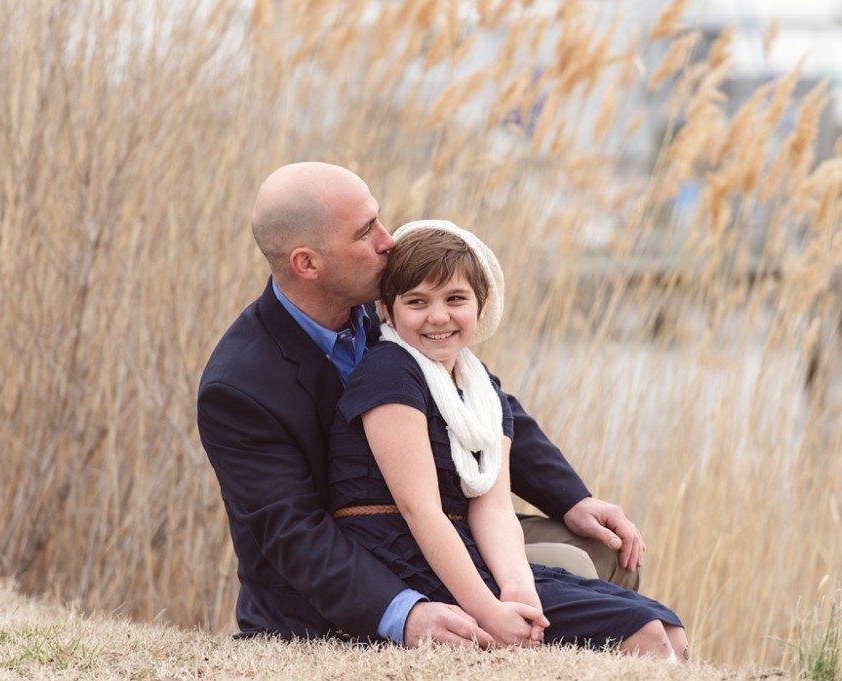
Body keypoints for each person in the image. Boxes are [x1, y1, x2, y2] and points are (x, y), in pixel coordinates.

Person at [197, 161, 647, 648]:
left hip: (443, 528)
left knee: (603, 552)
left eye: (379, 219)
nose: (388, 241)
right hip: (346, 579)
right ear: (307, 263)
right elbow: (294, 535)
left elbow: (481, 403)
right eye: (366, 231)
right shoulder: (239, 387)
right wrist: (405, 614)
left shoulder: (388, 312)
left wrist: (574, 499)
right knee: (579, 572)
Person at [327, 220, 687, 657]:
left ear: (481, 305)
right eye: (417, 302)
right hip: (398, 553)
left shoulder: (482, 390)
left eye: (455, 299)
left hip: (466, 547)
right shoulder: (390, 371)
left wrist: (518, 589)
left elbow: (492, 506)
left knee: (667, 629)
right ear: (387, 308)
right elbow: (418, 510)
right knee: (642, 635)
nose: (438, 316)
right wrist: (487, 611)